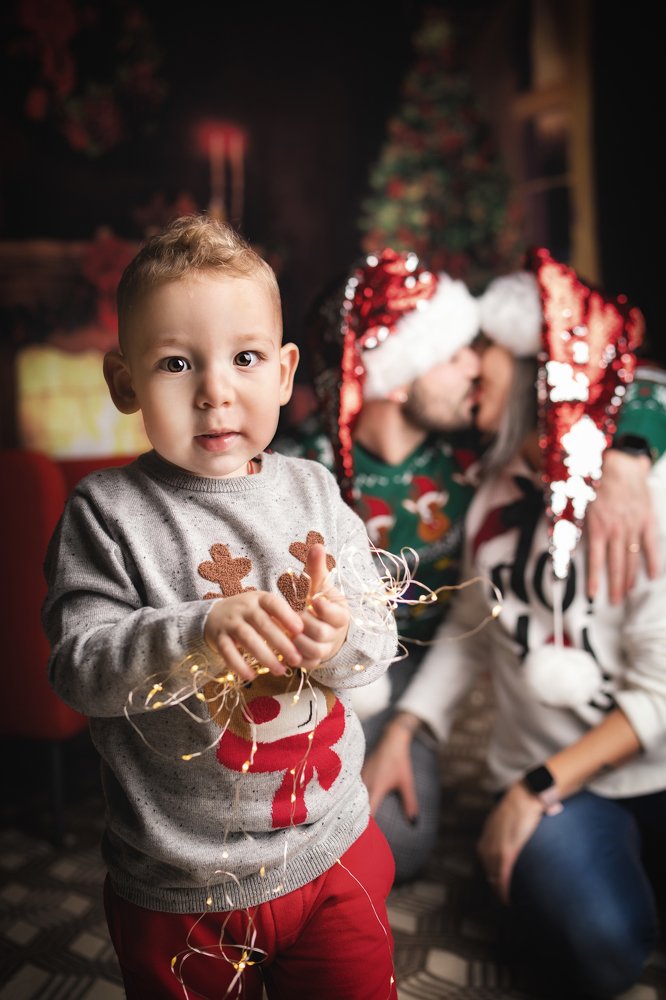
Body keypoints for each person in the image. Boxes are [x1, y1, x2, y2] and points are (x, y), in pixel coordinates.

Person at [42, 214, 399, 1000]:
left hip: (331, 846)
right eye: (176, 362)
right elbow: (79, 669)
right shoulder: (107, 513)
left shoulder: (313, 489)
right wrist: (196, 630)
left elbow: (376, 636)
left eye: (244, 358)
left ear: (282, 372)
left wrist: (339, 635)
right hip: (181, 886)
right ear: (125, 382)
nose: (215, 390)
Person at [276, 247, 664, 884]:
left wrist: (631, 452)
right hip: (334, 672)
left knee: (391, 842)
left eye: (477, 350)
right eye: (454, 352)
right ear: (399, 376)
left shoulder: (472, 452)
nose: (473, 368)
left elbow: (625, 371)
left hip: (428, 662)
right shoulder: (305, 466)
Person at [393, 249, 666, 997]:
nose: (474, 363)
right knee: (602, 948)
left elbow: (663, 694)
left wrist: (532, 787)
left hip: (641, 765)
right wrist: (406, 727)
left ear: (542, 371)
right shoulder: (491, 499)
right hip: (559, 787)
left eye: (489, 350)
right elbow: (466, 629)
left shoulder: (643, 489)